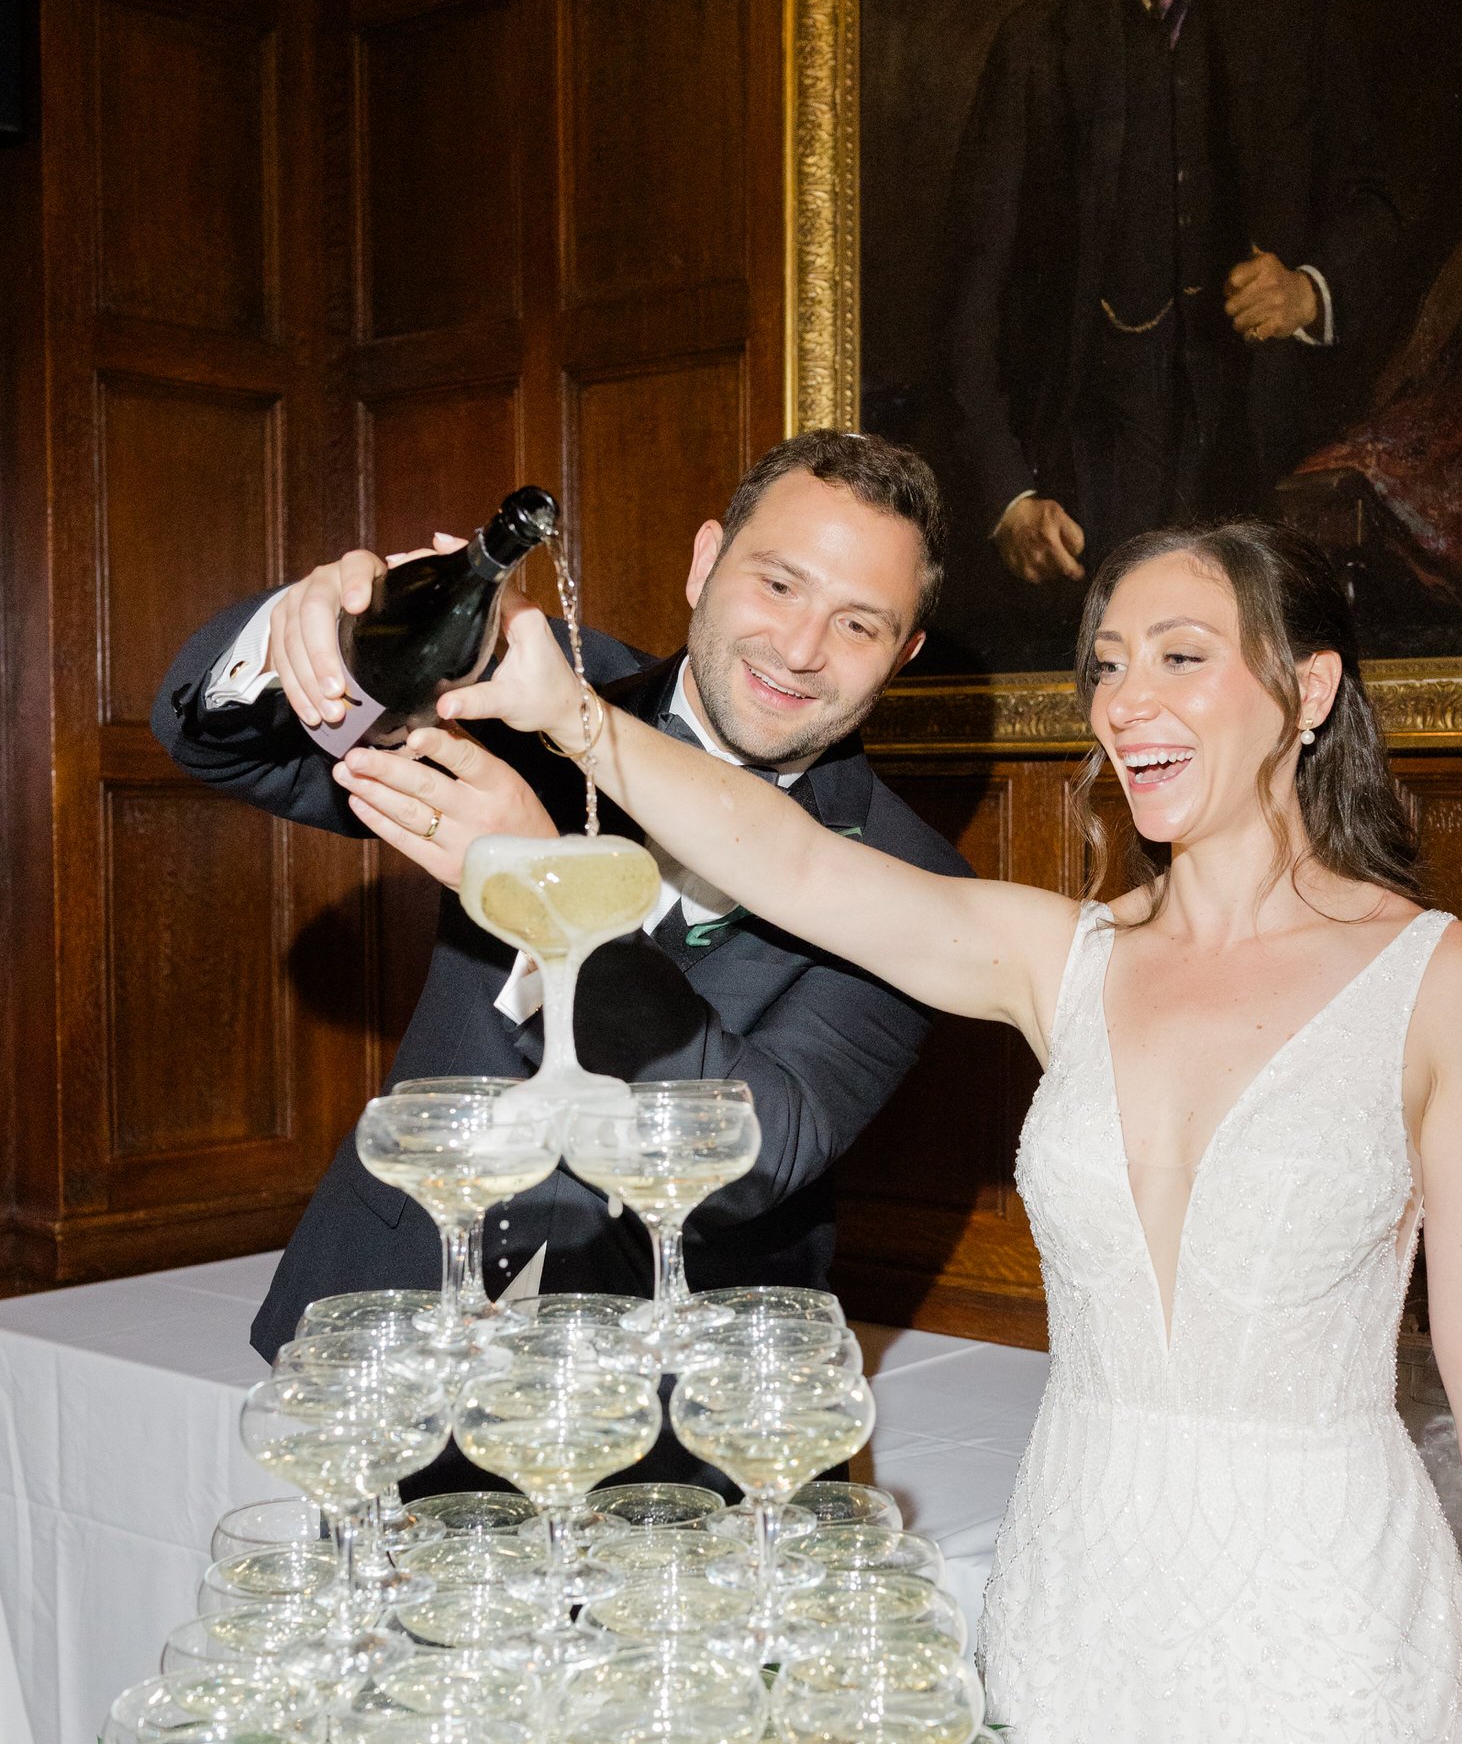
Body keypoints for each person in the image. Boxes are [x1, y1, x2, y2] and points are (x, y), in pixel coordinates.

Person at [437, 514, 1462, 1744]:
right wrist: (579, 724)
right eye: (1106, 663)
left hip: (1329, 1627)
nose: (1127, 699)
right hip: (1079, 1600)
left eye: (1180, 654)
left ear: (1308, 689)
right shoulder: (1066, 960)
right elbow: (802, 871)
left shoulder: (1438, 980)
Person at [152, 431, 970, 1482]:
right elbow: (221, 744)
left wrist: (549, 885)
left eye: (858, 623)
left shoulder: (912, 881)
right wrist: (300, 631)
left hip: (675, 1442)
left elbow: (765, 1146)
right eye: (776, 583)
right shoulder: (526, 693)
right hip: (395, 1368)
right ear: (703, 560)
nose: (799, 648)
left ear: (901, 654)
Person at [943, 0, 1400, 613]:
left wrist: (1308, 290)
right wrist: (1008, 496)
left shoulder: (1292, 3)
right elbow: (968, 303)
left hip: (1266, 458)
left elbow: (1373, 208)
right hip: (1091, 483)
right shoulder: (1036, 43)